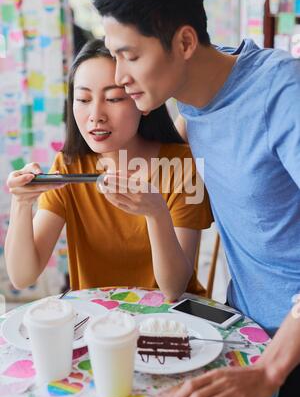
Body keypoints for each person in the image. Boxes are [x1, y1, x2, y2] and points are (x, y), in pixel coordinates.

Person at [92, 0, 300, 397]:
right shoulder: (187, 94)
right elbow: (181, 151)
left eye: (130, 56)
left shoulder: (283, 94)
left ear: (185, 42)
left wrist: (274, 371)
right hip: (242, 326)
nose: (120, 75)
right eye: (114, 56)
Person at [5, 38, 213, 302]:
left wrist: (156, 212)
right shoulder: (69, 166)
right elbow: (22, 276)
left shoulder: (181, 166)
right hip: (99, 322)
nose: (95, 115)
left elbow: (173, 289)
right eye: (83, 98)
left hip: (168, 320)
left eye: (113, 98)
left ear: (143, 100)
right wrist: (21, 203)